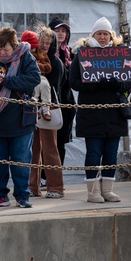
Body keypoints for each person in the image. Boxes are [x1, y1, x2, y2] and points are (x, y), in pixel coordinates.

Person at [0, 27, 41, 208]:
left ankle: (22, 195)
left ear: (15, 46)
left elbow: (34, 79)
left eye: (6, 49)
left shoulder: (26, 57)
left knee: (21, 161)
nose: (1, 53)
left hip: (21, 120)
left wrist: (6, 81)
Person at [70, 16, 130, 203]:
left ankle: (108, 189)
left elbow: (129, 81)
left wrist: (116, 84)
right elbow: (74, 82)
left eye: (105, 33)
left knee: (111, 152)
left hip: (114, 112)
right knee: (94, 152)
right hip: (92, 111)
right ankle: (93, 191)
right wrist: (95, 84)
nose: (102, 37)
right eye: (99, 34)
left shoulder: (120, 54)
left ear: (111, 35)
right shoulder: (82, 54)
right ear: (93, 35)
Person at [28, 28, 66, 199]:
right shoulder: (29, 57)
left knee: (50, 148)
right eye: (41, 41)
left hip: (47, 109)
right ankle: (32, 187)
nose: (44, 45)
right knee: (33, 150)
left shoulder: (56, 62)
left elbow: (56, 87)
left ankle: (56, 187)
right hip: (30, 108)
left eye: (47, 43)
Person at [49, 17, 77, 167]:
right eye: (57, 31)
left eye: (64, 31)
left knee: (61, 142)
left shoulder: (71, 54)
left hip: (66, 102)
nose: (60, 34)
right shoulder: (43, 53)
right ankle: (43, 176)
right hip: (49, 102)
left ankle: (56, 175)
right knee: (46, 142)